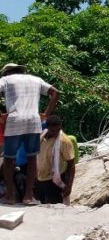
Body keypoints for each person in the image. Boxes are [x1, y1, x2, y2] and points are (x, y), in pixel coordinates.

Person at [1, 63, 60, 205]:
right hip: (34, 121)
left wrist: (1, 115)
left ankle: (10, 195)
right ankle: (28, 196)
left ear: (7, 72)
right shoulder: (36, 79)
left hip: (14, 120)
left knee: (9, 160)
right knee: (32, 159)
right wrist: (46, 114)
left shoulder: (6, 80)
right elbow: (55, 93)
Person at [36, 115, 76, 205]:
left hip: (54, 181)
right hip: (40, 179)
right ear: (47, 128)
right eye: (52, 130)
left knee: (55, 209)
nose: (55, 133)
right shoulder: (41, 137)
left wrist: (69, 186)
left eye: (57, 130)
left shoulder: (65, 141)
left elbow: (71, 165)